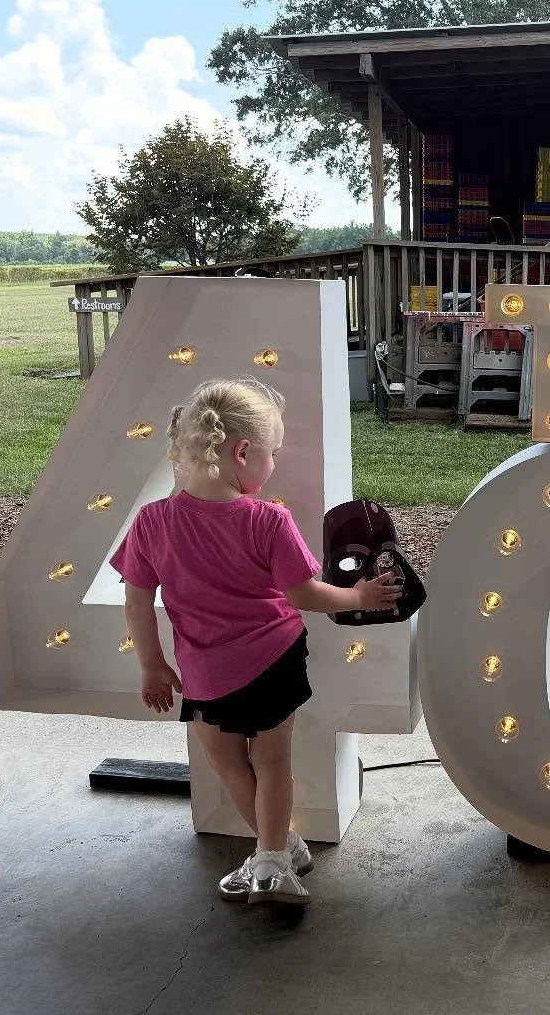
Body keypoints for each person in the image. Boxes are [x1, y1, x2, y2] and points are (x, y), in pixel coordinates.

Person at [110, 378, 401, 906]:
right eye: (273, 453)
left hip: (203, 670)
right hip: (274, 660)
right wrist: (357, 596)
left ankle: (274, 854)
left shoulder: (152, 522)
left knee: (227, 763)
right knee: (271, 762)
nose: (273, 464)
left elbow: (137, 603)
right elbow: (305, 594)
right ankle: (274, 857)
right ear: (242, 453)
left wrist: (151, 666)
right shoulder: (267, 520)